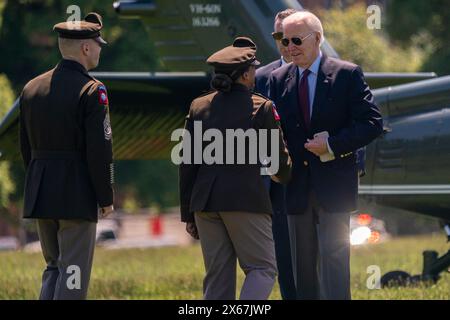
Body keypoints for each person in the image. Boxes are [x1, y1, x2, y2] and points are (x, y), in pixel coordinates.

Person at [268, 11, 383, 300]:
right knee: (302, 267)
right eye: (284, 39)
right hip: (296, 188)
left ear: (317, 39)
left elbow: (372, 124)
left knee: (334, 261)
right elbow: (274, 131)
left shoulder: (346, 74)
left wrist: (332, 144)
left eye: (296, 40)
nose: (289, 46)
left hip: (334, 185)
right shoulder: (277, 79)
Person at [179, 37, 292, 300]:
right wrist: (286, 175)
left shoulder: (199, 106)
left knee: (217, 276)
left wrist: (188, 213)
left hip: (205, 204)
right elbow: (278, 160)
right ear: (244, 75)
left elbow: (188, 164)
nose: (256, 73)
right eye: (253, 69)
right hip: (245, 200)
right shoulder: (261, 107)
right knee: (262, 268)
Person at [19, 12, 114, 300]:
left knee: (53, 269)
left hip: (41, 192)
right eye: (98, 43)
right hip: (76, 196)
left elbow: (25, 147)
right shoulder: (92, 90)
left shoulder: (31, 88)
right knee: (73, 275)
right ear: (86, 48)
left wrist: (38, 182)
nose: (100, 48)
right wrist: (106, 196)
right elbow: (100, 150)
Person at [254, 8, 297, 301]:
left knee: (322, 251)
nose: (285, 43)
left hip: (316, 176)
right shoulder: (259, 78)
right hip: (276, 183)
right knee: (283, 254)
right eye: (279, 36)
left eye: (292, 37)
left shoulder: (331, 73)